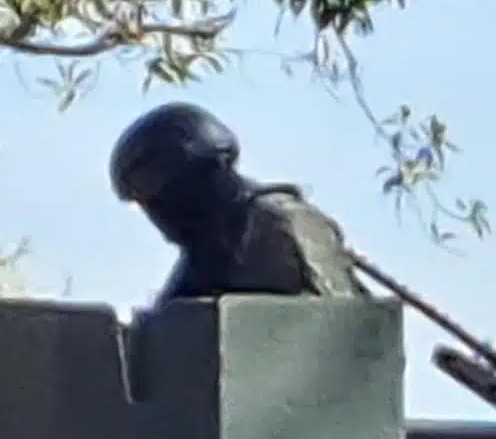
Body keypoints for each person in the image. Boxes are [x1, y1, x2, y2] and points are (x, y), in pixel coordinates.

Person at [108, 102, 363, 303]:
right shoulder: (204, 256)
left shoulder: (278, 222)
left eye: (160, 198)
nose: (159, 215)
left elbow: (339, 324)